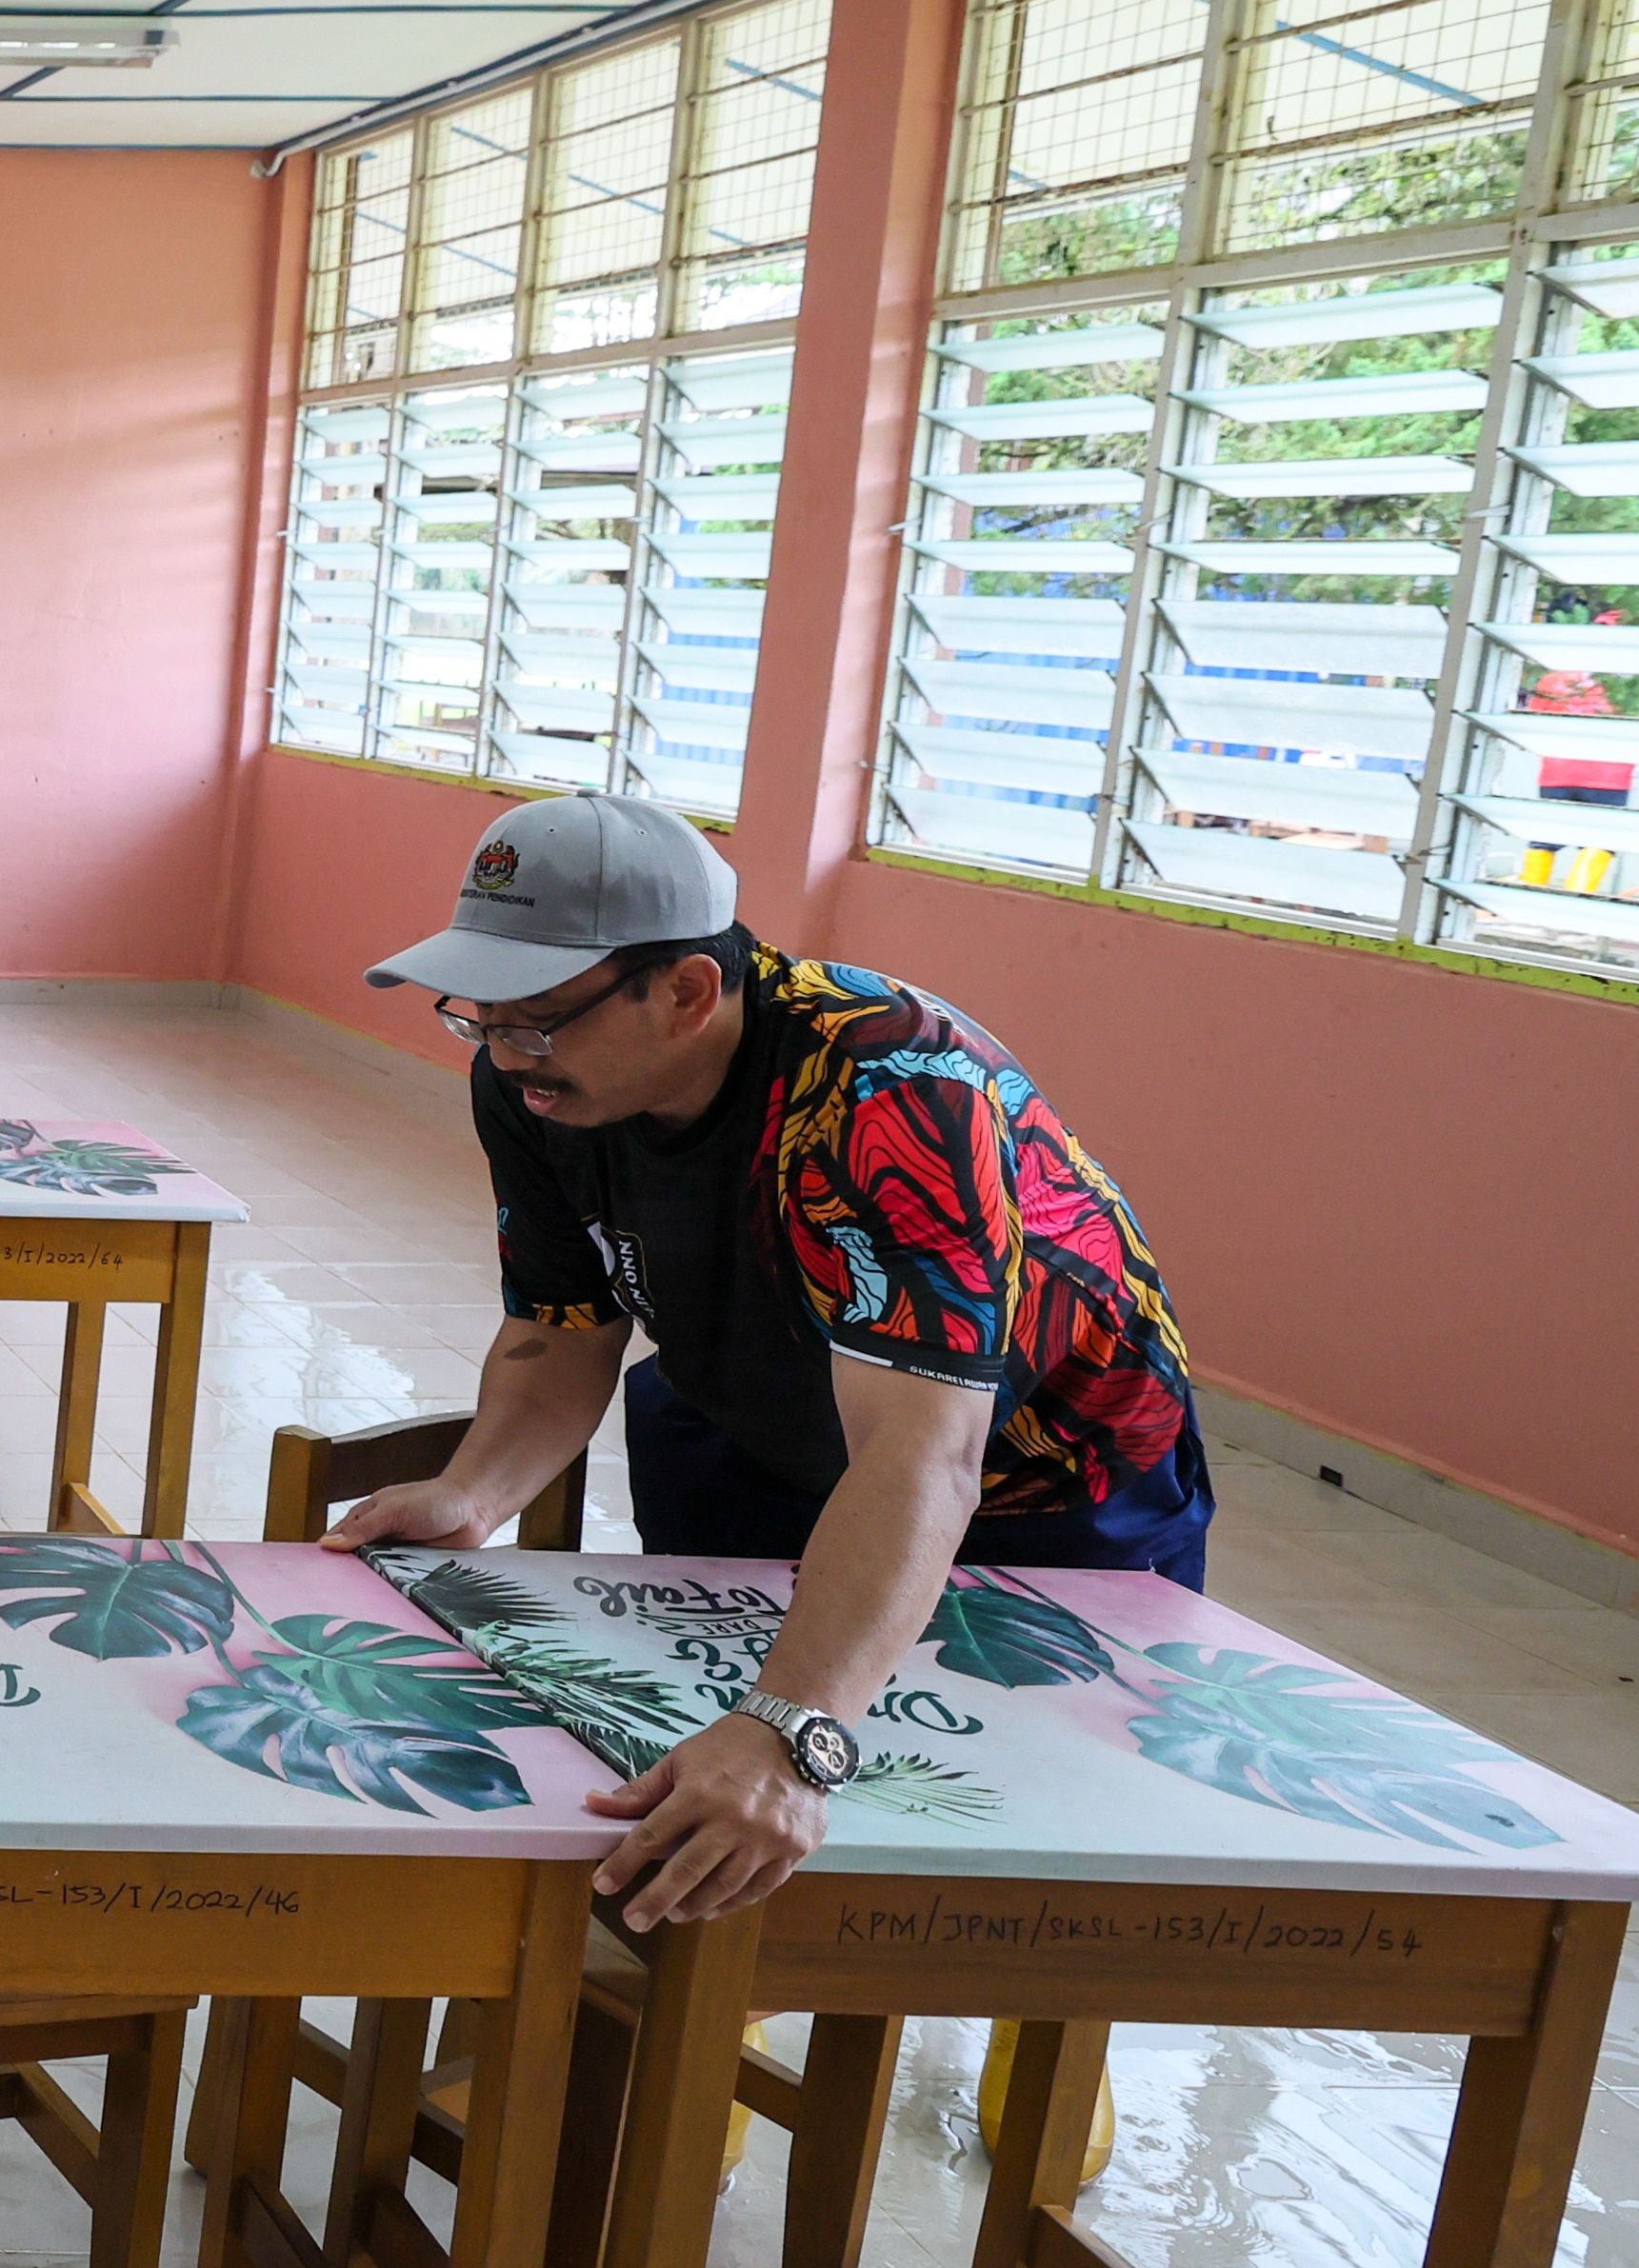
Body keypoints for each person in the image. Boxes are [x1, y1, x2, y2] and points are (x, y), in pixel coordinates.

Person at [334, 791, 1211, 1933]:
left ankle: (1035, 2055)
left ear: (689, 990)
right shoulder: (532, 1081)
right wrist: (474, 1491)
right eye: (480, 1016)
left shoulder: (895, 1091)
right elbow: (563, 1324)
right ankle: (706, 2025)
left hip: (1034, 1479)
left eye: (536, 1019)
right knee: (702, 1782)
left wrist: (796, 1729)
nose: (505, 1054)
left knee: (1008, 1838)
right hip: (760, 1419)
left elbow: (920, 1458)